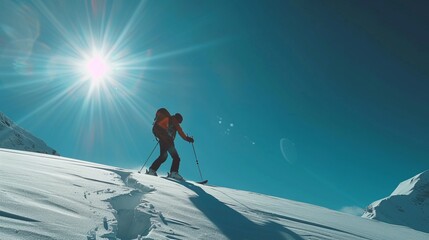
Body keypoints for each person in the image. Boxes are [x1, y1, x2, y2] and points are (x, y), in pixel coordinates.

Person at [147, 109, 194, 180]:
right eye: (180, 121)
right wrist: (187, 138)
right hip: (168, 141)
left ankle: (152, 170)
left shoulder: (168, 119)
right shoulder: (174, 121)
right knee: (176, 158)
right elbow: (181, 132)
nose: (180, 123)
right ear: (178, 119)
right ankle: (174, 173)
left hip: (162, 139)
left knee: (163, 156)